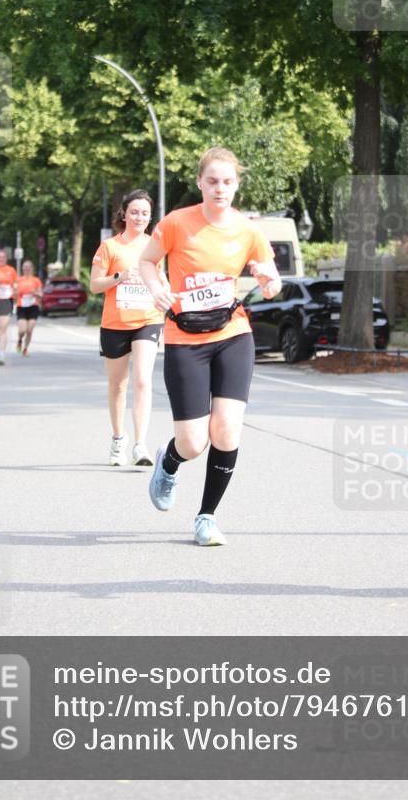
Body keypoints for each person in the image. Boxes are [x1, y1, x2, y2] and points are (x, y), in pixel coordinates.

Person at [139, 147, 281, 546]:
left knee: (227, 430)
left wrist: (271, 283)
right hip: (185, 338)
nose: (221, 189)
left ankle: (206, 517)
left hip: (232, 334)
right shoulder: (175, 223)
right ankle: (169, 463)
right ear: (200, 183)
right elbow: (147, 262)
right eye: (213, 181)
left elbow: (271, 277)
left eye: (228, 182)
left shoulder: (248, 230)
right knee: (193, 442)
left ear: (237, 185)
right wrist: (157, 289)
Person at [90, 190, 164, 467]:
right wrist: (119, 277)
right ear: (124, 213)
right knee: (118, 385)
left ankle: (140, 444)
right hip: (115, 322)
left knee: (143, 380)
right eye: (134, 212)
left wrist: (164, 289)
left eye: (144, 213)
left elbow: (162, 279)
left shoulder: (155, 246)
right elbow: (94, 285)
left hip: (147, 319)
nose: (139, 217)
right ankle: (119, 438)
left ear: (150, 217)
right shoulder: (110, 247)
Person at [15, 260, 43, 355]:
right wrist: (16, 293)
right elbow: (14, 294)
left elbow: (40, 294)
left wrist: (34, 293)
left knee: (30, 330)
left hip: (33, 307)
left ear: (32, 269)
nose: (26, 269)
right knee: (22, 330)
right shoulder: (18, 280)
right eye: (24, 267)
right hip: (21, 307)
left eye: (28, 267)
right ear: (22, 268)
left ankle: (25, 349)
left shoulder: (36, 280)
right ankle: (19, 340)